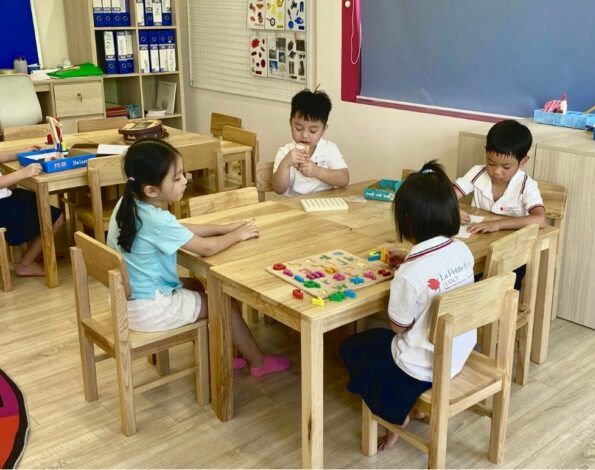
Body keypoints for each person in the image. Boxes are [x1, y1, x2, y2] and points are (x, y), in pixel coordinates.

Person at [107, 138, 290, 377]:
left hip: (127, 299)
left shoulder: (128, 204)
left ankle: (219, 350)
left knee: (196, 284)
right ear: (151, 190)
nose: (186, 180)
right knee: (224, 300)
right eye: (177, 178)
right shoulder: (156, 220)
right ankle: (258, 362)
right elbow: (206, 249)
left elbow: (180, 228)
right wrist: (238, 235)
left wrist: (225, 228)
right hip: (150, 308)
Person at [341, 161, 475, 450]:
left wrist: (405, 274)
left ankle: (394, 414)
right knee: (378, 343)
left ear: (407, 222)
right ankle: (409, 401)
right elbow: (435, 271)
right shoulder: (463, 251)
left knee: (353, 346)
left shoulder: (410, 273)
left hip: (421, 366)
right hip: (456, 354)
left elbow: (399, 326)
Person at [454, 119, 545, 233]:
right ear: (486, 152)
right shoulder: (477, 173)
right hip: (478, 237)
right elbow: (446, 197)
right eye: (491, 163)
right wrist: (452, 210)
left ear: (523, 161)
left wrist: (498, 224)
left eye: (506, 167)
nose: (496, 171)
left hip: (511, 242)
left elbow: (540, 219)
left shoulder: (527, 185)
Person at [272, 88, 349, 196]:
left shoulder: (329, 149)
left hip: (325, 204)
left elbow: (344, 179)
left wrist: (316, 171)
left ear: (323, 130)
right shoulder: (285, 152)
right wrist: (285, 164)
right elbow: (278, 189)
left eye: (313, 131)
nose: (305, 135)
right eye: (298, 128)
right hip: (293, 206)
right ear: (290, 123)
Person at [0, 148, 64, 277]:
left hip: (5, 198)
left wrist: (22, 153)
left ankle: (38, 250)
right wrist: (23, 173)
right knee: (55, 217)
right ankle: (26, 264)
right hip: (3, 206)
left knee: (34, 199)